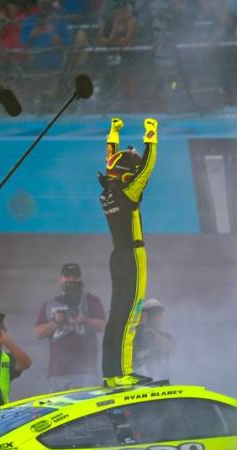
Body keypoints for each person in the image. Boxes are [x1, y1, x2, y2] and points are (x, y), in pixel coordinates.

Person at [98, 116, 158, 387]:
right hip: (134, 257)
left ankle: (110, 374)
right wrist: (151, 136)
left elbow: (111, 159)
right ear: (126, 174)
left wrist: (113, 133)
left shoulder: (108, 192)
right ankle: (124, 374)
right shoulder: (129, 192)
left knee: (115, 316)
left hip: (117, 257)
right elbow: (147, 167)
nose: (137, 175)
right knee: (131, 314)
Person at [34, 262, 106, 392]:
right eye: (67, 277)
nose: (71, 280)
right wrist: (57, 322)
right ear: (61, 278)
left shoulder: (91, 300)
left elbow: (101, 326)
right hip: (58, 371)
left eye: (75, 277)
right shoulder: (50, 303)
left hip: (86, 370)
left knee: (86, 410)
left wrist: (84, 319)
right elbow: (38, 333)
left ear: (80, 278)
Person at [133, 298, 176, 379]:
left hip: (161, 381)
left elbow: (171, 348)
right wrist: (141, 325)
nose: (159, 318)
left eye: (159, 314)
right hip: (140, 381)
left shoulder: (165, 336)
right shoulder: (135, 335)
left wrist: (153, 333)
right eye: (155, 314)